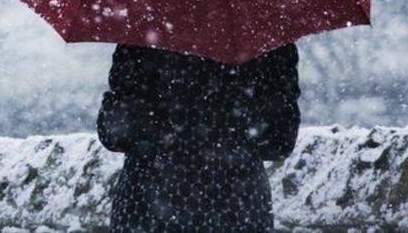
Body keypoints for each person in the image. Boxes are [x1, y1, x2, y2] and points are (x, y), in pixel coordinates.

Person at [96, 43, 300, 232]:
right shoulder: (264, 35)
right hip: (237, 210)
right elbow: (279, 141)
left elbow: (114, 135)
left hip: (146, 209)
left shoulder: (142, 33)